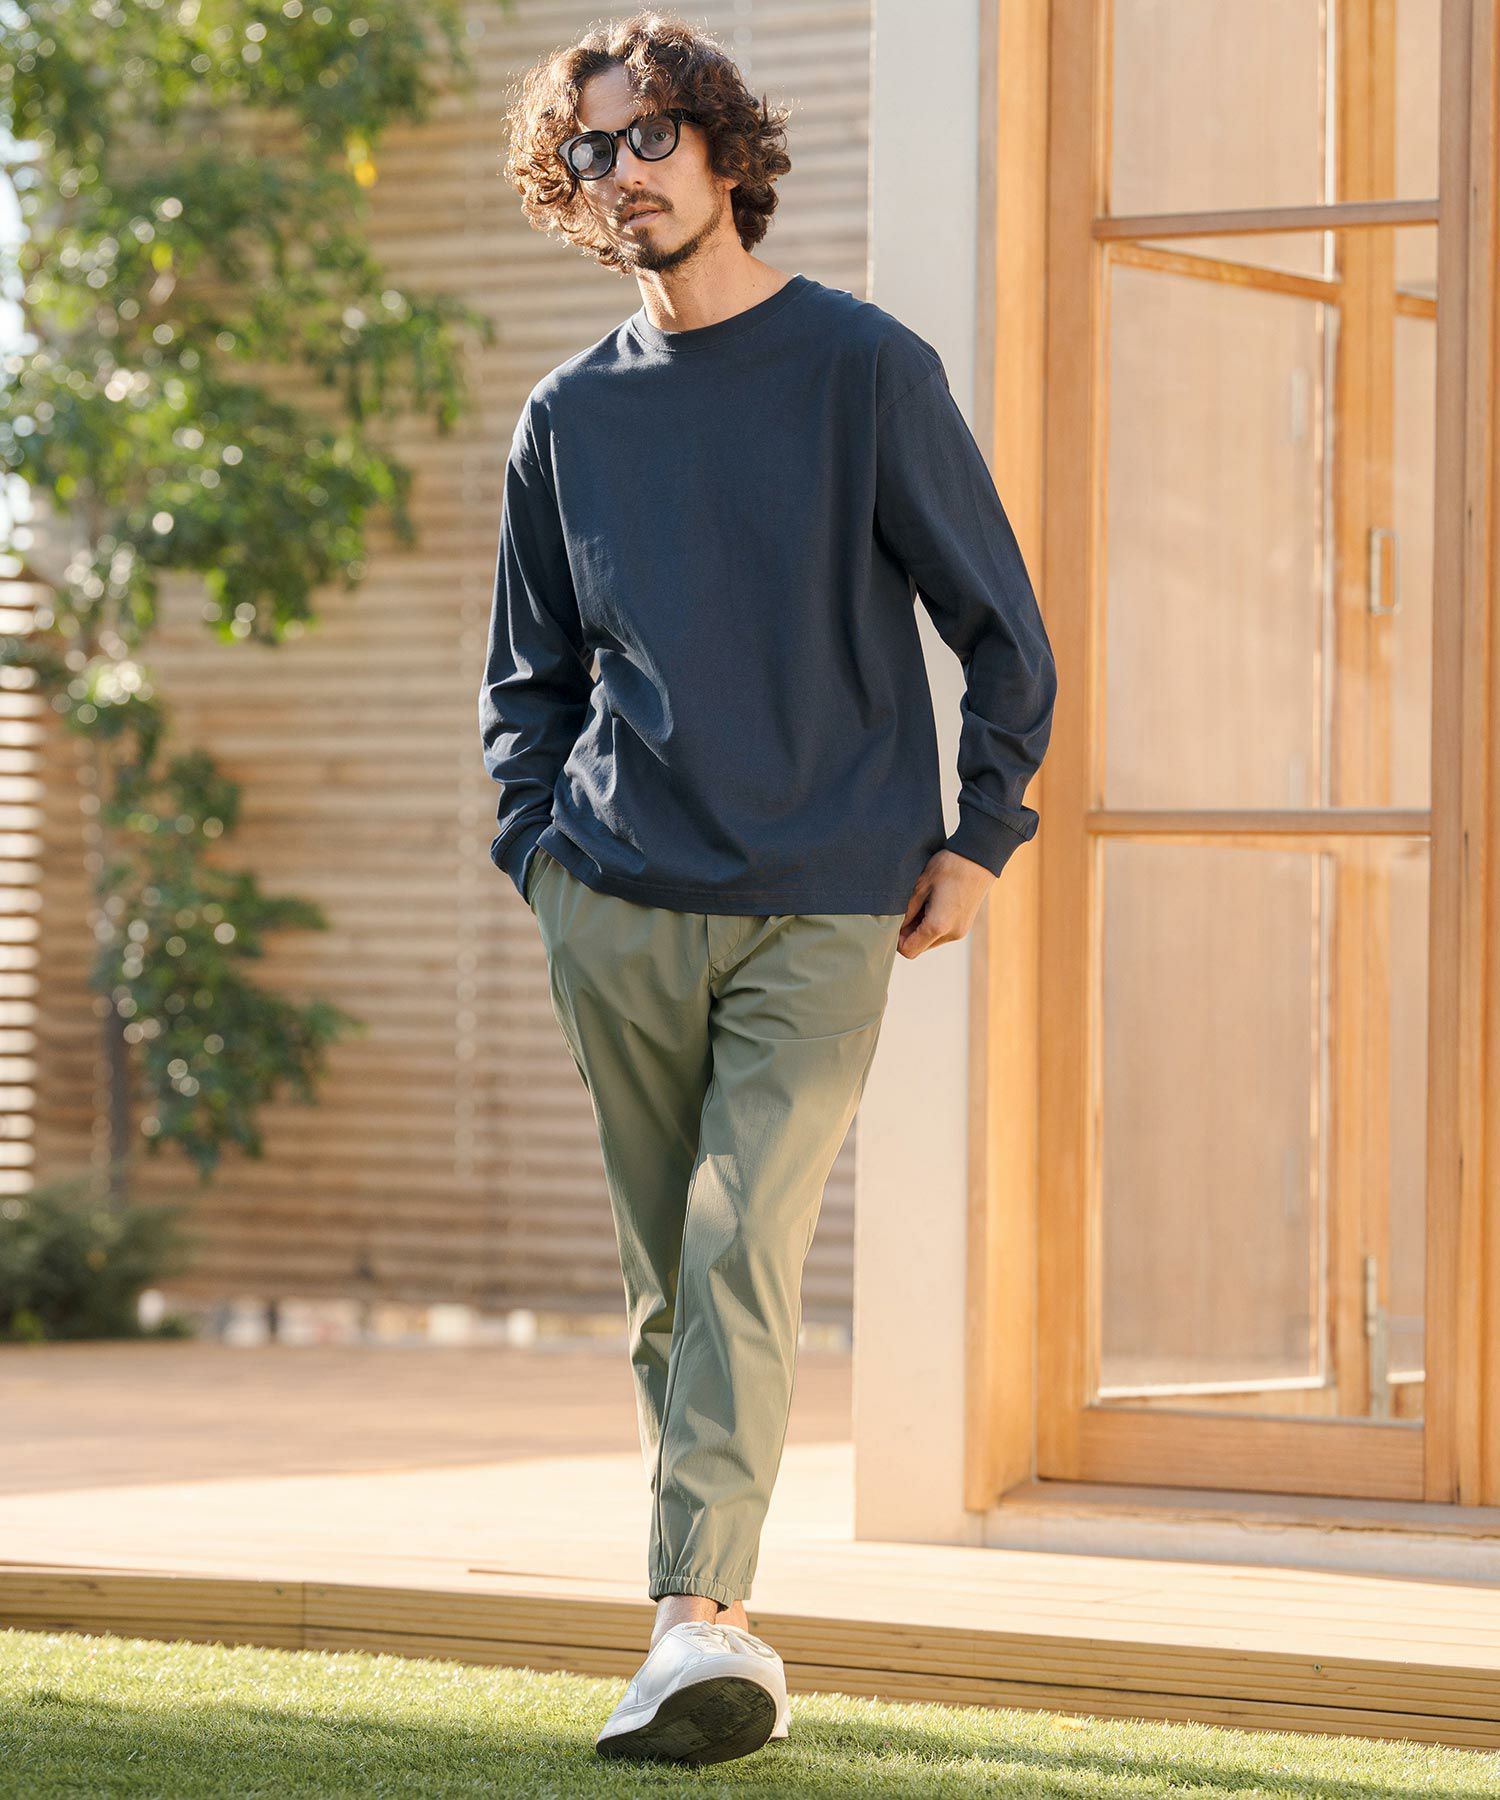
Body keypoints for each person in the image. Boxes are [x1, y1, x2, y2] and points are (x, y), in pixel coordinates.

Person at [480, 9, 1056, 1768]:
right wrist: (541, 858)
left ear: (726, 149)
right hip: (617, 898)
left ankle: (695, 1621)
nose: (624, 172)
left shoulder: (861, 370)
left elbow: (1001, 630)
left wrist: (980, 834)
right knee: (673, 1277)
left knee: (742, 1242)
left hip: (823, 900)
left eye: (652, 134)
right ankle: (701, 1624)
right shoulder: (568, 417)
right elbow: (529, 680)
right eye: (590, 151)